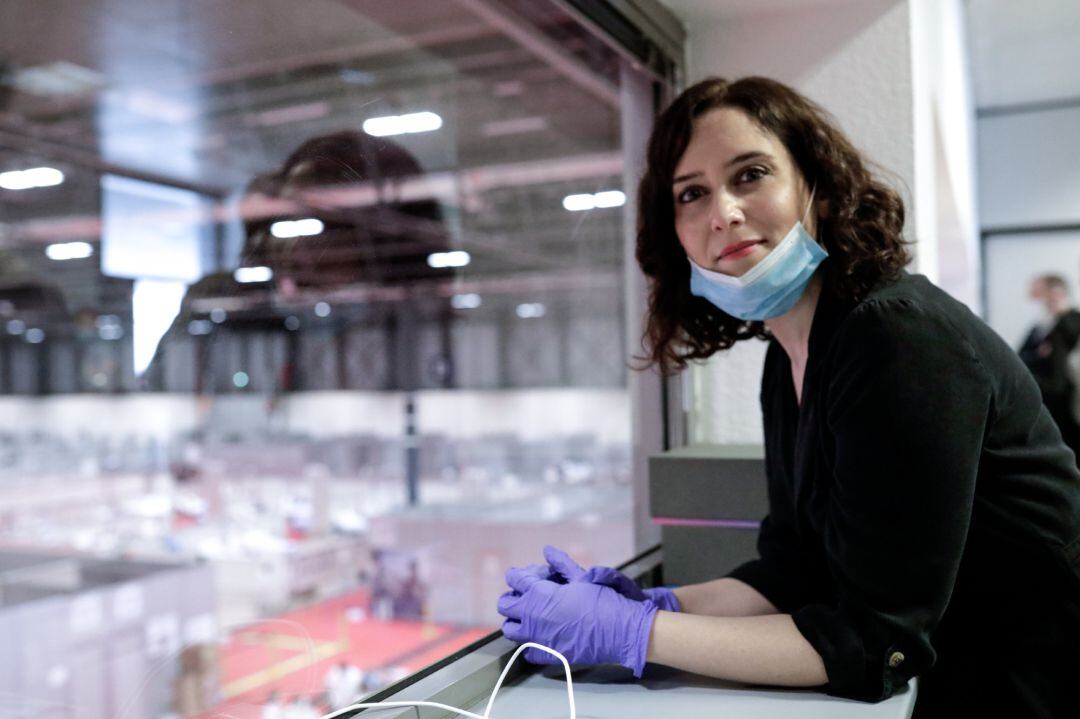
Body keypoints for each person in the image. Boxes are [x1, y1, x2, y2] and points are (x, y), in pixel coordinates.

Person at [497, 77, 1080, 719]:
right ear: (678, 237)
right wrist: (655, 604)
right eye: (692, 194)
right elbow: (793, 571)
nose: (722, 213)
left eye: (749, 175)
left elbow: (873, 645)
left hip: (1030, 681)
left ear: (819, 191)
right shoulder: (790, 355)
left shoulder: (899, 337)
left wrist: (636, 635)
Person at [1018, 274, 1080, 459]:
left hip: (1066, 396)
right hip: (1045, 393)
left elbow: (1072, 338)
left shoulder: (1071, 319)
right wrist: (1038, 354)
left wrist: (1063, 312)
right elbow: (1020, 355)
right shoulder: (1041, 325)